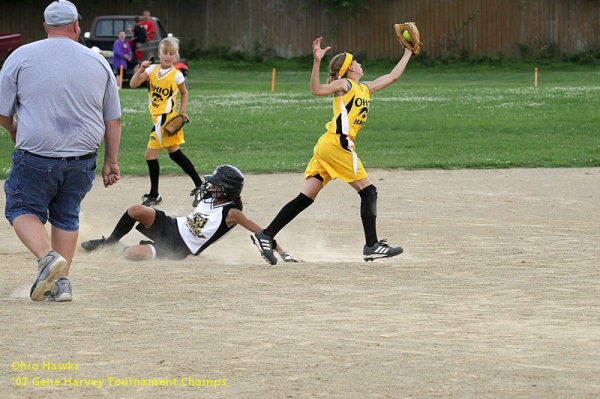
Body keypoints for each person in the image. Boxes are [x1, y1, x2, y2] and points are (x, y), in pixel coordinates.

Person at [251, 37, 413, 264]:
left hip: (328, 146)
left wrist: (407, 52)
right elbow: (316, 89)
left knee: (305, 198)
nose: (359, 63)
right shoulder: (344, 85)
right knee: (368, 192)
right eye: (355, 61)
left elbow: (393, 76)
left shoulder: (364, 88)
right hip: (338, 144)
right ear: (350, 69)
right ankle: (372, 245)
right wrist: (317, 62)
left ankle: (265, 235)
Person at [0, 0, 121, 302]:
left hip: (37, 156)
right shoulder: (97, 61)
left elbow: (3, 112)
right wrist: (111, 161)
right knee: (66, 215)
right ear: (77, 26)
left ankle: (46, 258)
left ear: (45, 27)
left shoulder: (21, 56)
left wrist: (14, 130)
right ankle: (62, 284)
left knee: (21, 207)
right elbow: (113, 118)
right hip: (82, 160)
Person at [81, 165, 299, 263]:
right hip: (173, 225)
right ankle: (109, 242)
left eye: (215, 185)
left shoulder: (232, 213)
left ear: (227, 190)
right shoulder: (210, 198)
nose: (210, 187)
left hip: (179, 247)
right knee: (135, 210)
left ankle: (121, 249)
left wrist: (283, 253)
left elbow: (262, 232)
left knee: (132, 255)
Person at [130, 37, 203, 208]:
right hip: (158, 119)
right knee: (175, 154)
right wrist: (141, 68)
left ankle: (155, 195)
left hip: (166, 120)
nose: (168, 56)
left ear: (176, 57)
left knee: (150, 155)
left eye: (172, 54)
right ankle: (200, 186)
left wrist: (182, 111)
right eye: (165, 53)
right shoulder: (152, 70)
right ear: (159, 54)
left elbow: (184, 93)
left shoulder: (176, 75)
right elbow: (133, 84)